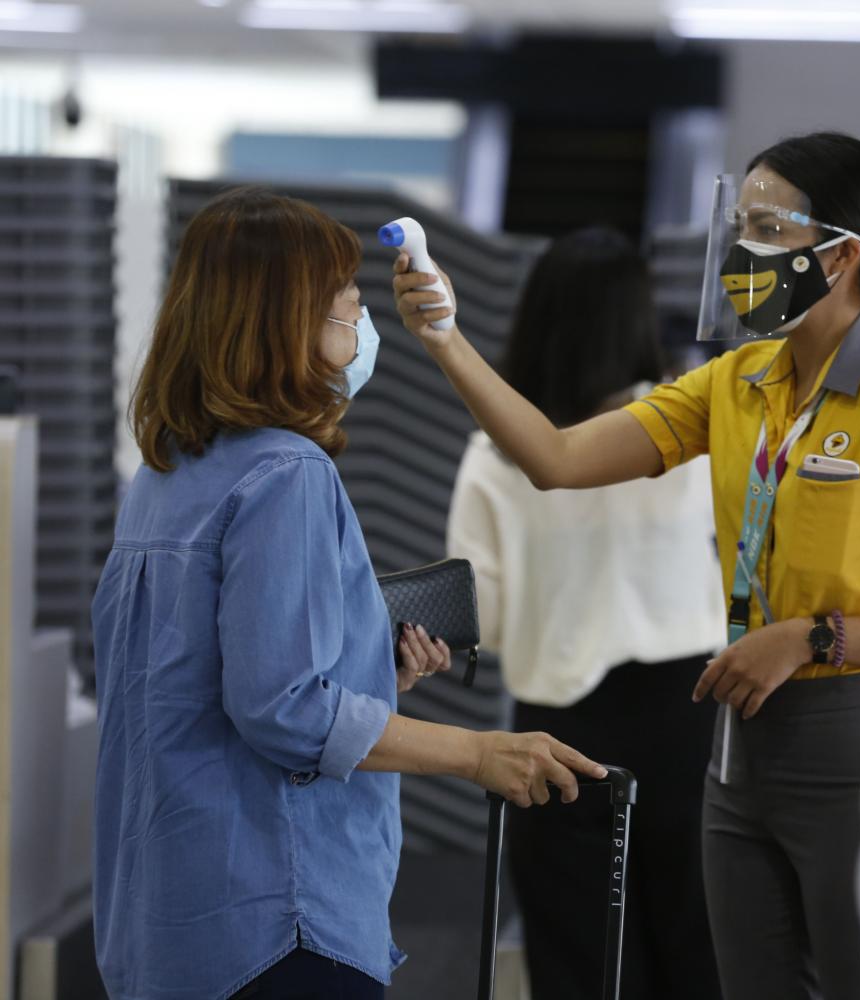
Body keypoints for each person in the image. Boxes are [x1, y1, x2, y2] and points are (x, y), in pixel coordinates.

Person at [394, 133, 860, 999]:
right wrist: (444, 340)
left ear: (844, 254)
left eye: (769, 229)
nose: (745, 252)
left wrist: (817, 640)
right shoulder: (734, 384)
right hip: (735, 755)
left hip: (856, 741)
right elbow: (553, 459)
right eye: (739, 227)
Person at [91, 186, 605, 1000]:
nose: (359, 322)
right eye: (347, 302)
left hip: (172, 914)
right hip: (276, 919)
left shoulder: (165, 477)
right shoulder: (288, 474)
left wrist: (373, 672)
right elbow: (283, 707)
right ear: (287, 321)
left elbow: (194, 682)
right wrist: (477, 752)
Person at [446, 226, 725, 999]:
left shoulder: (497, 451)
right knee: (699, 952)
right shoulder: (687, 428)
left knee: (577, 962)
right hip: (689, 716)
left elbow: (485, 618)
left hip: (559, 732)